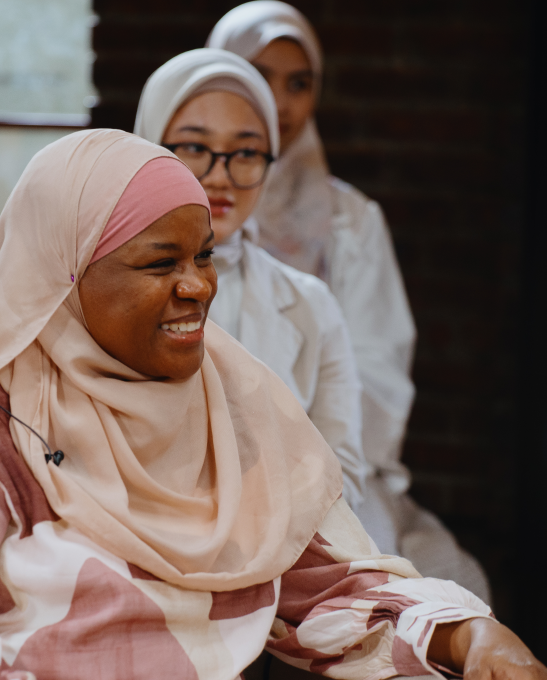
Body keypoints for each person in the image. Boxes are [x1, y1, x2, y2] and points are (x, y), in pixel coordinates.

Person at [0, 129, 544, 680]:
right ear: (62, 279)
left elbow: (325, 586)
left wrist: (465, 635)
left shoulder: (226, 401)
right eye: (160, 264)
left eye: (203, 257)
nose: (198, 286)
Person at [208, 1, 490, 601]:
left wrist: (303, 462)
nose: (279, 102)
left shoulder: (351, 225)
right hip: (198, 462)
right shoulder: (179, 213)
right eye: (259, 74)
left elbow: (375, 376)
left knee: (410, 587)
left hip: (326, 462)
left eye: (299, 83)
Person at [134, 48, 367, 512]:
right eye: (196, 148)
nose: (221, 177)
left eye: (245, 152)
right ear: (149, 147)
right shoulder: (105, 291)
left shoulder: (311, 306)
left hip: (283, 553)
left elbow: (343, 482)